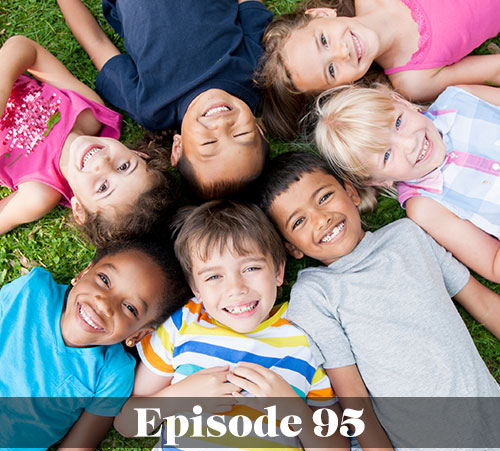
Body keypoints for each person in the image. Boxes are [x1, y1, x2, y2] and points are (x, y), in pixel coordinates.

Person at [258, 151, 500, 451]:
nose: (321, 219)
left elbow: (484, 305)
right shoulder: (315, 293)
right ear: (291, 249)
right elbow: (355, 404)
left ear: (351, 192)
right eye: (298, 222)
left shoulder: (409, 237)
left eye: (324, 197)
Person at [112, 200, 350, 451]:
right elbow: (126, 422)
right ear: (195, 288)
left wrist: (291, 407)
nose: (236, 288)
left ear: (278, 271)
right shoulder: (186, 322)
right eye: (214, 276)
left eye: (250, 268)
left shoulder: (304, 339)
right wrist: (184, 394)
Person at [0, 239, 192, 451]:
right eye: (104, 279)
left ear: (138, 335)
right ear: (83, 273)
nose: (104, 304)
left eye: (130, 308)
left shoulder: (113, 373)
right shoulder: (32, 292)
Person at [57, 0, 272, 199]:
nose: (222, 125)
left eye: (209, 142)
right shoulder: (255, 71)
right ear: (259, 129)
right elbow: (250, 5)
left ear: (178, 148)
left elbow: (97, 43)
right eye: (241, 134)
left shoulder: (150, 107)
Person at [313, 83, 500, 283]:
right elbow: (493, 264)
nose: (410, 144)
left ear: (402, 102)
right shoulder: (425, 205)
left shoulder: (461, 97)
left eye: (398, 122)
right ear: (377, 180)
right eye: (386, 155)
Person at [0, 35, 176, 245]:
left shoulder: (39, 193)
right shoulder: (87, 111)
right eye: (124, 166)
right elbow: (25, 48)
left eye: (103, 188)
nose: (102, 164)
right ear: (139, 153)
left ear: (79, 209)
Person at [255, 0, 500, 139]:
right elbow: (493, 70)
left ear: (321, 14)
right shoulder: (413, 80)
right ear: (345, 87)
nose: (342, 52)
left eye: (323, 40)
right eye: (331, 70)